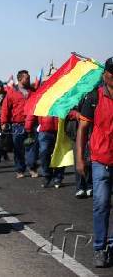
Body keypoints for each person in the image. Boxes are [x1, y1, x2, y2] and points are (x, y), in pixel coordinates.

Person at [76, 57, 113, 268]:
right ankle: (100, 248)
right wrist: (80, 159)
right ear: (105, 73)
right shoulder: (94, 97)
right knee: (101, 204)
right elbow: (82, 129)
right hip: (100, 160)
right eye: (111, 72)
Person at [1, 70, 38, 179]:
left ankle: (32, 168)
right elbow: (5, 108)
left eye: (29, 77)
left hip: (32, 124)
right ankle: (20, 170)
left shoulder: (33, 91)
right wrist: (3, 122)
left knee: (32, 147)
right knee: (18, 149)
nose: (29, 79)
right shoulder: (12, 92)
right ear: (20, 79)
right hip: (18, 125)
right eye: (27, 78)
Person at [25, 114, 64, 188]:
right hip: (45, 131)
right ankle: (47, 175)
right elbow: (34, 109)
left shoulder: (62, 101)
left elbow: (68, 109)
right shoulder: (41, 101)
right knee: (44, 153)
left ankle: (58, 178)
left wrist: (77, 115)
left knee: (60, 154)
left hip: (60, 130)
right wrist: (28, 126)